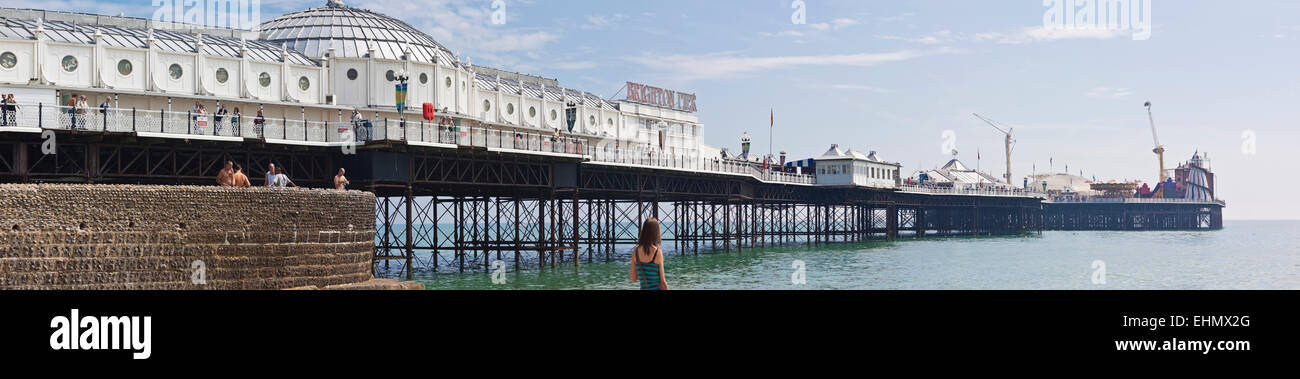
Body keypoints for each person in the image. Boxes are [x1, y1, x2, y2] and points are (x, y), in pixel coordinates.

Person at [629, 218, 668, 290]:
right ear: (656, 232)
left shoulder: (636, 251)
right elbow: (662, 282)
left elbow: (633, 278)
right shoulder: (657, 252)